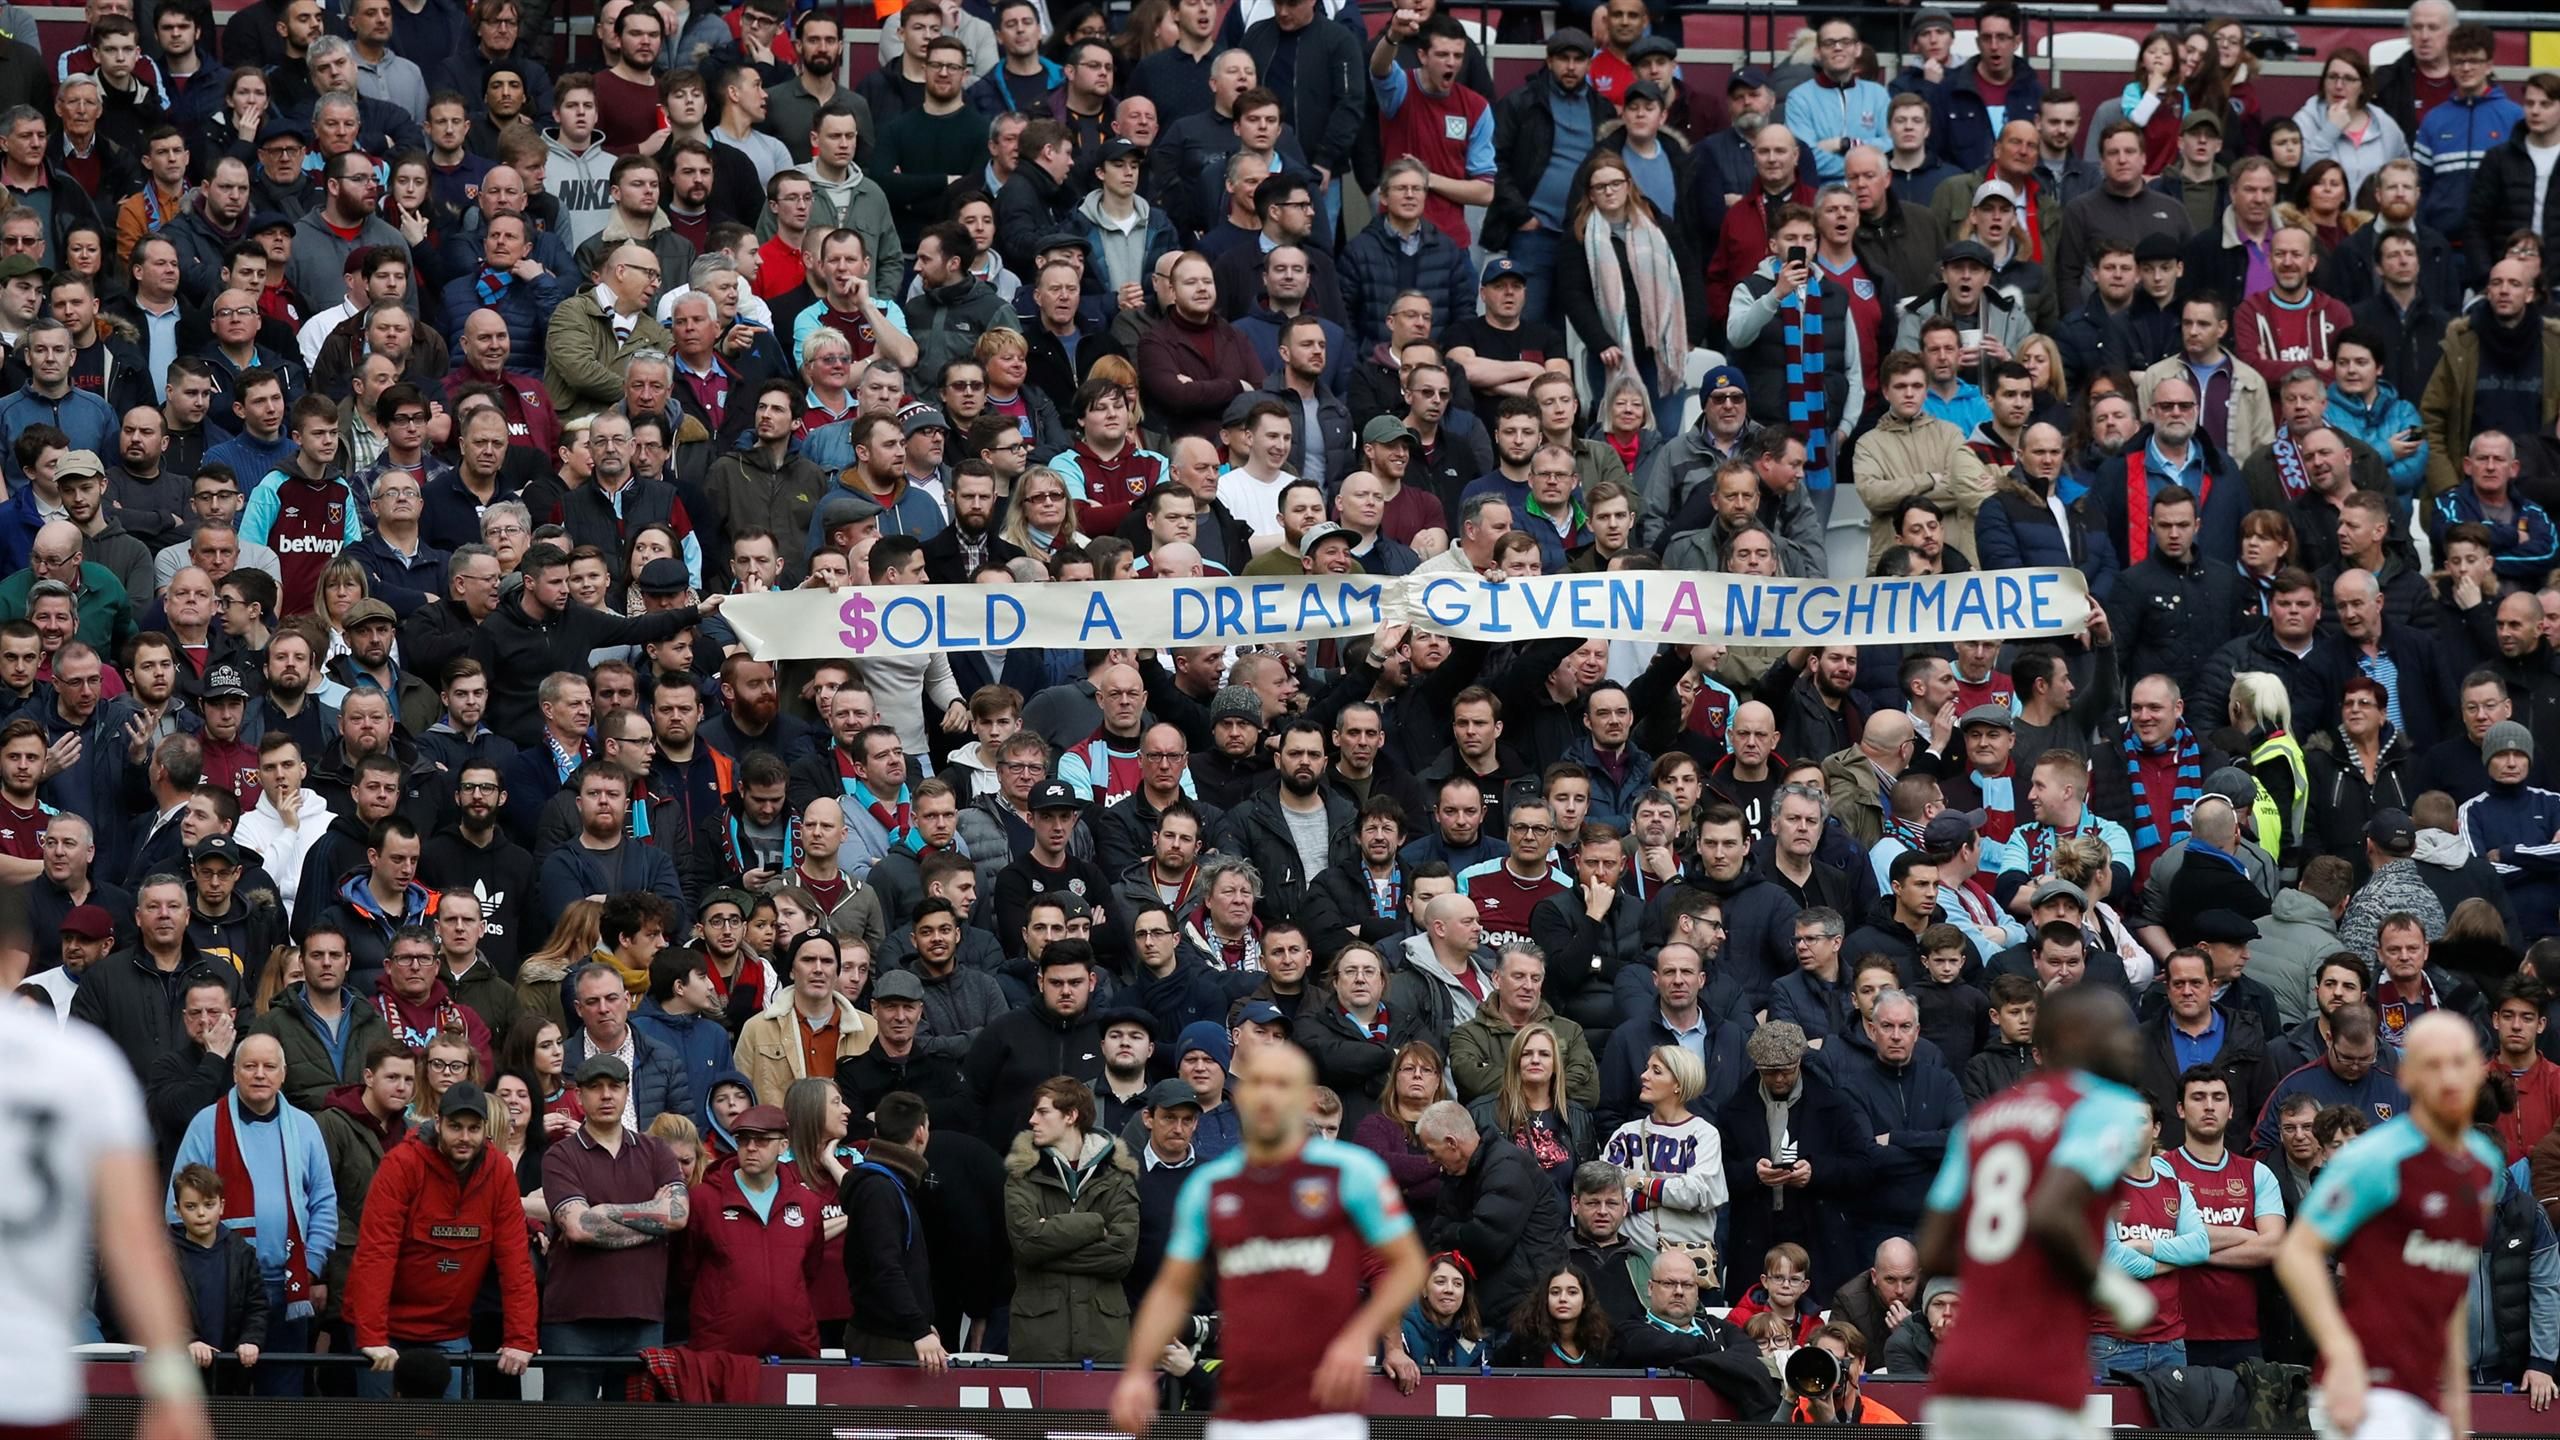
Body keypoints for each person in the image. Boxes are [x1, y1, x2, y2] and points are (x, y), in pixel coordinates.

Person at [1111, 1042, 1427, 1436]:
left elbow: (1408, 1266)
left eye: (1284, 1084)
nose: (1269, 1096)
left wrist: (1362, 1337)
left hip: (1324, 1406)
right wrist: (1138, 1370)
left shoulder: (1354, 1173)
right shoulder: (1210, 1184)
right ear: (1241, 1095)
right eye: (1259, 1083)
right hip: (1239, 1408)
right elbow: (1172, 1289)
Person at [1916, 985, 2164, 1433]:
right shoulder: (2108, 1106)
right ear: (2071, 1035)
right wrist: (2109, 1286)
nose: (2133, 1041)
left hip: (1960, 1372)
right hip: (2039, 1373)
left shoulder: (1982, 1119)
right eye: (2117, 1030)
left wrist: (2009, 1261)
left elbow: (1932, 1251)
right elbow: (2051, 1212)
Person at [0, 941, 215, 1439]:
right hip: (31, 1388)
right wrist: (172, 1385)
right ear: (16, 956)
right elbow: (133, 1242)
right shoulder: (83, 1064)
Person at [2275, 1012, 2501, 1440]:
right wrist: (2339, 1352)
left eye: (2459, 1062)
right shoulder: (2374, 1159)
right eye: (2433, 1065)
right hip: (2366, 1384)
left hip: (2427, 1390)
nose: (2448, 1077)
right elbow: (2295, 1253)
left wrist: (2456, 1391)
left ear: (2479, 1069)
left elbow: (2450, 1284)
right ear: (2408, 1075)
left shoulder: (2484, 1166)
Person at [343, 1081, 539, 1396]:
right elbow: (377, 1253)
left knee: (451, 1428)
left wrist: (521, 1339)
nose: (464, 1137)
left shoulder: (499, 1171)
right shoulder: (401, 1164)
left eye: (473, 1128)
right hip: (385, 1326)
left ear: (486, 1130)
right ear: (437, 1123)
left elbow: (515, 1261)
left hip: (449, 1329)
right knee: (378, 1427)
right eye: (455, 1127)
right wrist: (372, 1336)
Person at [539, 1052, 691, 1404]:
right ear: (579, 1097)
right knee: (568, 1432)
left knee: (634, 1432)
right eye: (595, 1087)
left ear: (627, 1092)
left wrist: (606, 1211)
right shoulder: (560, 1155)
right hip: (573, 1321)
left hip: (642, 1316)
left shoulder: (657, 1152)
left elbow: (679, 1215)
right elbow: (578, 1228)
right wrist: (654, 1220)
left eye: (614, 1086)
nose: (606, 1095)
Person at [1004, 1075, 1140, 1362]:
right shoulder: (1022, 1174)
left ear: (1071, 1115)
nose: (1031, 1120)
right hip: (1040, 1337)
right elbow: (1027, 1244)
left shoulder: (1118, 1177)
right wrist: (1094, 1224)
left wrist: (1049, 1246)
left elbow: (1121, 1256)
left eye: (1042, 1112)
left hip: (1104, 1338)